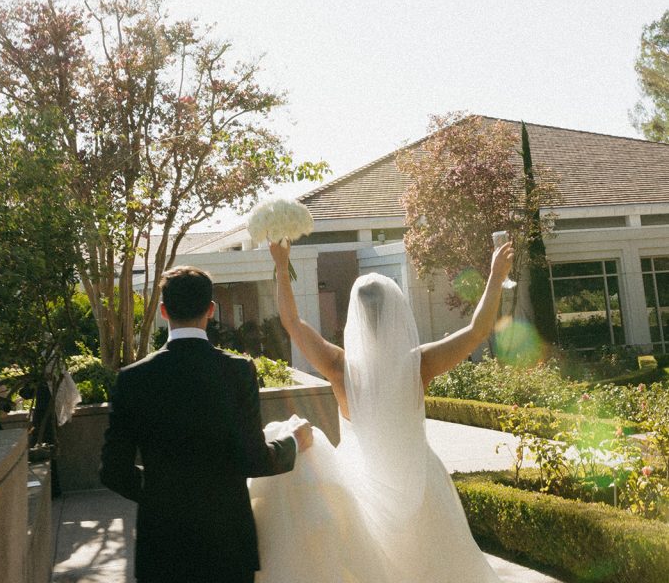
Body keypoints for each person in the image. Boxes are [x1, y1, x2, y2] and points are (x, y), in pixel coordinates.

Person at [254, 238, 515, 583]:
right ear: (397, 311)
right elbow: (478, 330)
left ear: (354, 316)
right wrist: (496, 276)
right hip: (421, 484)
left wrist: (282, 265)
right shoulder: (419, 364)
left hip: (359, 482)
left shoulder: (337, 366)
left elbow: (291, 321)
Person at [100, 265, 312, 583]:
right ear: (211, 310)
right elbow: (253, 459)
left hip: (162, 546)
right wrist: (293, 441)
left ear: (163, 311)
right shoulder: (238, 371)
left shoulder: (132, 380)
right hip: (228, 544)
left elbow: (113, 472)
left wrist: (162, 491)